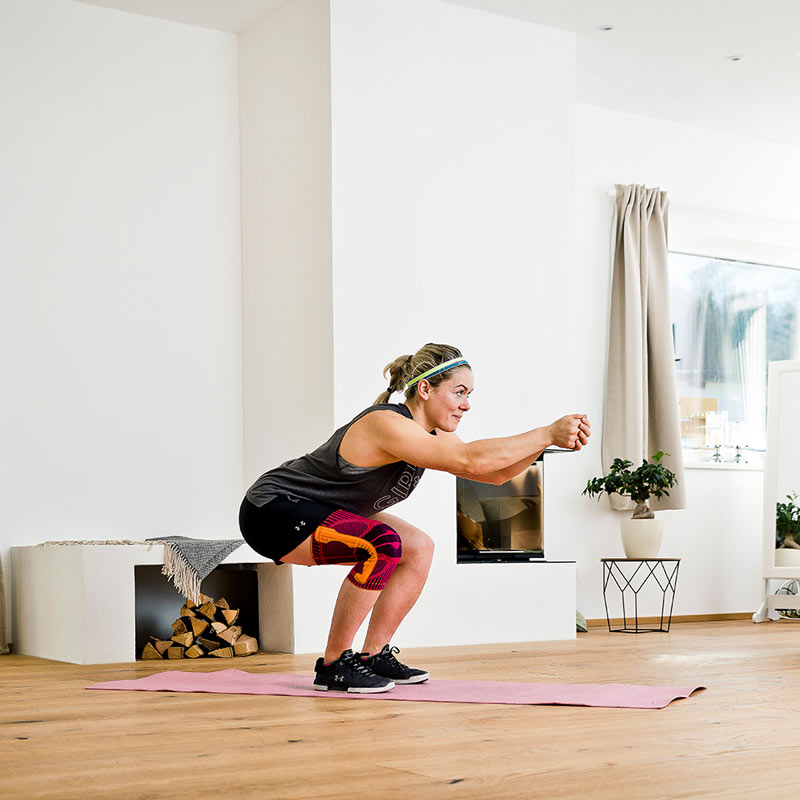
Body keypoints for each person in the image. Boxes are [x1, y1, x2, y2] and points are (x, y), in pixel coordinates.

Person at [239, 343, 590, 693]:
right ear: (425, 389)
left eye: (469, 394)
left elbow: (493, 475)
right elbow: (473, 461)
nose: (466, 404)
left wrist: (543, 445)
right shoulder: (385, 423)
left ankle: (372, 656)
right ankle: (333, 665)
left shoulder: (432, 434)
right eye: (459, 392)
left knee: (419, 547)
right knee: (383, 544)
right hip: (272, 510)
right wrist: (546, 432)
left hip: (317, 512)